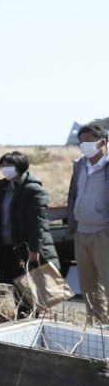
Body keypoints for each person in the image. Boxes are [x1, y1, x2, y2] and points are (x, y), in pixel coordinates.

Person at [0, 151, 58, 317]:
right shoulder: (3, 188)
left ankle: (33, 319)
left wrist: (35, 249)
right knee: (16, 285)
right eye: (2, 165)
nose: (4, 169)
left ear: (20, 167)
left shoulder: (32, 189)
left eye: (9, 165)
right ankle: (22, 318)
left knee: (31, 286)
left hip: (25, 246)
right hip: (7, 244)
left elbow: (38, 222)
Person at [68, 124, 109, 323]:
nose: (84, 144)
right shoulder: (80, 165)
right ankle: (98, 327)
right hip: (81, 230)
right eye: (81, 140)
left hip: (103, 232)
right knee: (88, 285)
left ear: (102, 141)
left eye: (89, 139)